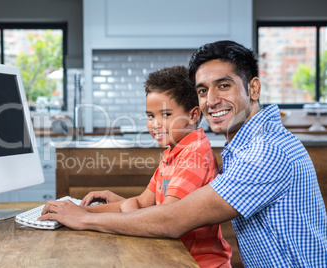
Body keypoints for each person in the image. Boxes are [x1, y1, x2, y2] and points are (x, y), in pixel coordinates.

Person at [39, 41, 327, 267]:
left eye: (223, 85)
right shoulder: (250, 145)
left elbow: (172, 219)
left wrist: (84, 218)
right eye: (203, 91)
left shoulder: (265, 152)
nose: (211, 101)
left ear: (253, 88)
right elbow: (152, 206)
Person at [72, 66, 231, 267]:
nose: (155, 124)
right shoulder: (174, 152)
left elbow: (163, 220)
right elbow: (143, 203)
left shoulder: (195, 156)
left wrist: (121, 207)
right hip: (175, 257)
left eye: (165, 114)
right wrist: (81, 211)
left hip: (196, 263)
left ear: (193, 115)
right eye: (150, 116)